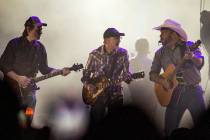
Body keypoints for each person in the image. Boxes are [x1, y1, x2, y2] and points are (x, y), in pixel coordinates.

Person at [0, 16, 70, 125]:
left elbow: (45, 69)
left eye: (41, 29)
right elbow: (3, 65)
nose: (41, 32)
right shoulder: (14, 44)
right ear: (28, 29)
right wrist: (18, 78)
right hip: (11, 89)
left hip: (29, 92)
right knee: (10, 119)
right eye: (38, 29)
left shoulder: (40, 48)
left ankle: (27, 129)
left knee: (28, 116)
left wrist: (60, 71)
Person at [149, 19, 205, 136]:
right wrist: (163, 81)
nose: (161, 35)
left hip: (194, 92)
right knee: (169, 130)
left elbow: (199, 62)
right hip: (173, 94)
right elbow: (152, 74)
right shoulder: (160, 53)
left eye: (163, 32)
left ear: (173, 33)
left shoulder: (189, 46)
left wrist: (192, 57)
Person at [81, 28, 132, 124]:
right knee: (96, 124)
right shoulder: (95, 54)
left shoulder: (123, 53)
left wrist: (128, 77)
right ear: (106, 40)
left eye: (119, 38)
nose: (118, 40)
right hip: (97, 95)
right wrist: (88, 85)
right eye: (116, 38)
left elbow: (126, 74)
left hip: (115, 94)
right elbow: (85, 76)